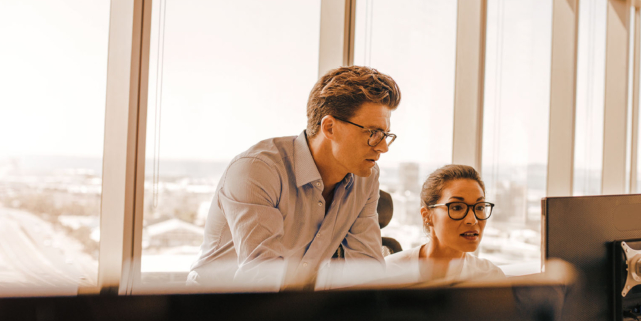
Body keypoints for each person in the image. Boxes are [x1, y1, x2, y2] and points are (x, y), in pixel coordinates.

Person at [188, 66, 401, 290]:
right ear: (329, 127)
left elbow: (366, 271)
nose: (383, 147)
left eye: (385, 135)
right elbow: (261, 279)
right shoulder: (258, 170)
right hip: (217, 308)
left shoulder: (365, 177)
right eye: (373, 133)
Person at [385, 165, 505, 284]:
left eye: (479, 207)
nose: (472, 220)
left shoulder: (491, 277)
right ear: (427, 216)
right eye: (457, 207)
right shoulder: (388, 272)